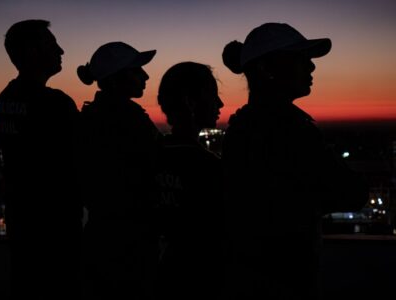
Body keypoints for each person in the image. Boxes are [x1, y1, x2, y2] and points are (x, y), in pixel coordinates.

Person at [221, 22, 369, 300]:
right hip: (285, 280)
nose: (311, 68)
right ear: (266, 69)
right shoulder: (291, 129)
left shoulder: (241, 128)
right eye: (300, 59)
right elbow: (350, 192)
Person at [0, 20, 83, 299]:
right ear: (33, 51)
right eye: (51, 43)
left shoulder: (6, 97)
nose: (61, 50)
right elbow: (81, 154)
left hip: (22, 217)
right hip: (54, 223)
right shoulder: (54, 103)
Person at [77, 41, 163, 300]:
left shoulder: (93, 117)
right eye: (137, 70)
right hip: (127, 241)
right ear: (116, 79)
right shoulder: (126, 119)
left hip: (102, 235)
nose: (145, 76)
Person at [154, 61, 225, 300]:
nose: (220, 104)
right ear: (190, 101)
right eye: (213, 96)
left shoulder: (150, 156)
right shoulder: (207, 167)